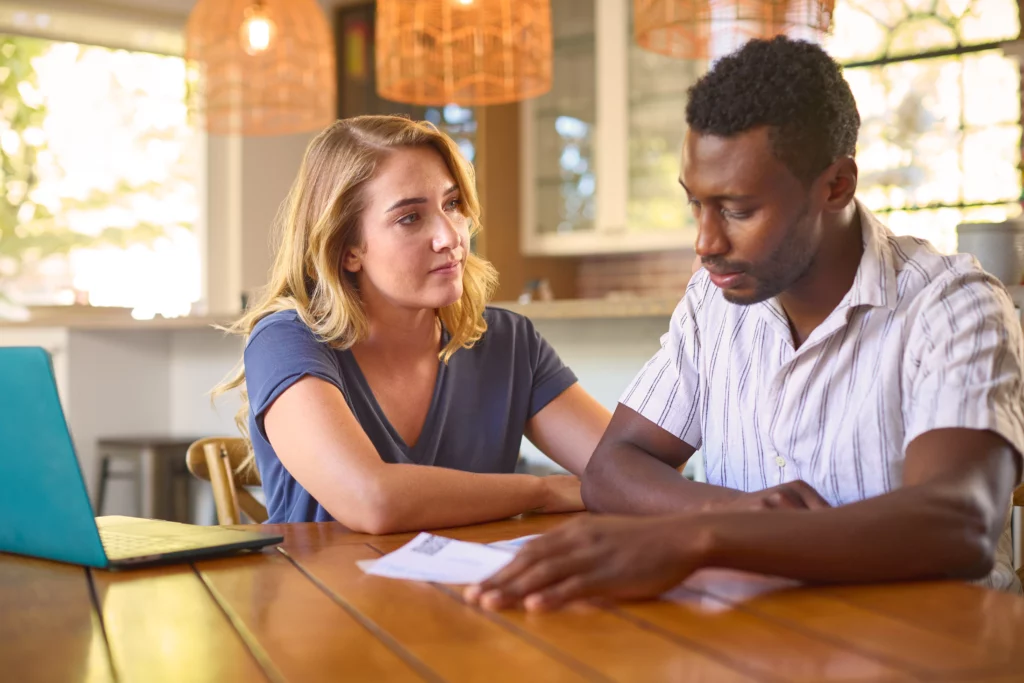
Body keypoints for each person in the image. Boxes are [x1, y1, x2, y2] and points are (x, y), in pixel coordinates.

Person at [465, 36, 1024, 612]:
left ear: (837, 186)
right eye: (696, 205)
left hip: (932, 651)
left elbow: (959, 523)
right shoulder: (715, 302)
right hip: (757, 639)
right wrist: (725, 512)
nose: (705, 243)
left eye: (737, 210)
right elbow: (611, 467)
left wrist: (703, 537)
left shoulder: (954, 305)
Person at [214, 115, 611, 532]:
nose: (451, 237)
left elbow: (631, 470)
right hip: (327, 595)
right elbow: (373, 500)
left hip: (475, 594)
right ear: (348, 249)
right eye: (410, 218)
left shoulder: (509, 343)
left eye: (452, 204)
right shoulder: (286, 342)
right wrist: (541, 492)